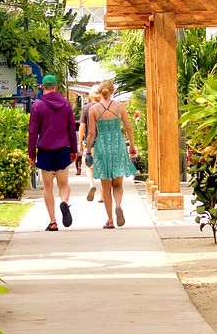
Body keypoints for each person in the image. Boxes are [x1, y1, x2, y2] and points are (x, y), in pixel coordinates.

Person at [28, 74, 78, 231]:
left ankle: (53, 221)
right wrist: (73, 150)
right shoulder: (65, 104)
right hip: (63, 148)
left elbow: (33, 132)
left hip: (45, 150)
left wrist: (32, 153)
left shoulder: (37, 106)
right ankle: (64, 201)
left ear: (42, 87)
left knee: (48, 187)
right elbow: (71, 127)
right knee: (64, 184)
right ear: (56, 87)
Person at [85, 80, 137, 228]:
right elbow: (128, 128)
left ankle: (110, 220)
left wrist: (88, 150)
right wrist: (132, 146)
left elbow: (91, 133)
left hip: (102, 148)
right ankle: (118, 205)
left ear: (99, 92)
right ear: (112, 91)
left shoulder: (93, 109)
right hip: (118, 146)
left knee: (106, 186)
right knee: (118, 184)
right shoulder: (120, 106)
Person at [77, 83, 102, 203]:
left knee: (88, 165)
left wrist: (80, 141)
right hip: (104, 142)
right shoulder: (105, 106)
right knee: (103, 167)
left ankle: (92, 184)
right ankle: (102, 195)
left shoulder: (86, 108)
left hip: (91, 142)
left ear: (91, 95)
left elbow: (82, 126)